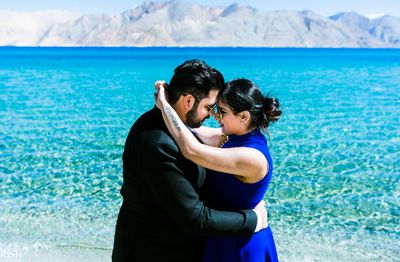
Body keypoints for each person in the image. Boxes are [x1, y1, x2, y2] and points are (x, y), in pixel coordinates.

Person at [112, 60, 268, 262]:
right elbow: (195, 218)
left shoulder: (180, 128)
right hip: (155, 252)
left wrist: (166, 105)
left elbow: (210, 138)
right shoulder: (158, 143)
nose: (212, 116)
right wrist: (253, 220)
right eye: (209, 107)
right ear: (187, 101)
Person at [155, 78, 281, 261]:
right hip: (226, 235)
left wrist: (165, 105)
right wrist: (173, 106)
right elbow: (191, 131)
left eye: (222, 112)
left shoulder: (253, 157)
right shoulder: (231, 137)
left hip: (242, 246)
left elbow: (191, 150)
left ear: (244, 117)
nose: (216, 117)